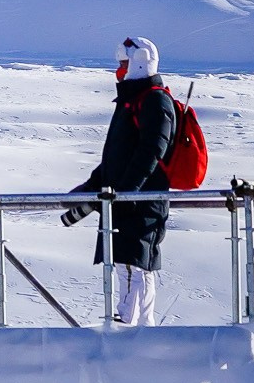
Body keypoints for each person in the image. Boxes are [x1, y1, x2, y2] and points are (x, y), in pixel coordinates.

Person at [66, 36, 177, 326]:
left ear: (139, 63)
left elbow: (151, 151)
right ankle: (135, 323)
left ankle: (130, 322)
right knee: (128, 263)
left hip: (140, 202)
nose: (120, 69)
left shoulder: (154, 100)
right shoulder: (134, 99)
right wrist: (91, 186)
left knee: (134, 264)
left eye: (124, 63)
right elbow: (118, 155)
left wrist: (127, 193)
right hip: (127, 199)